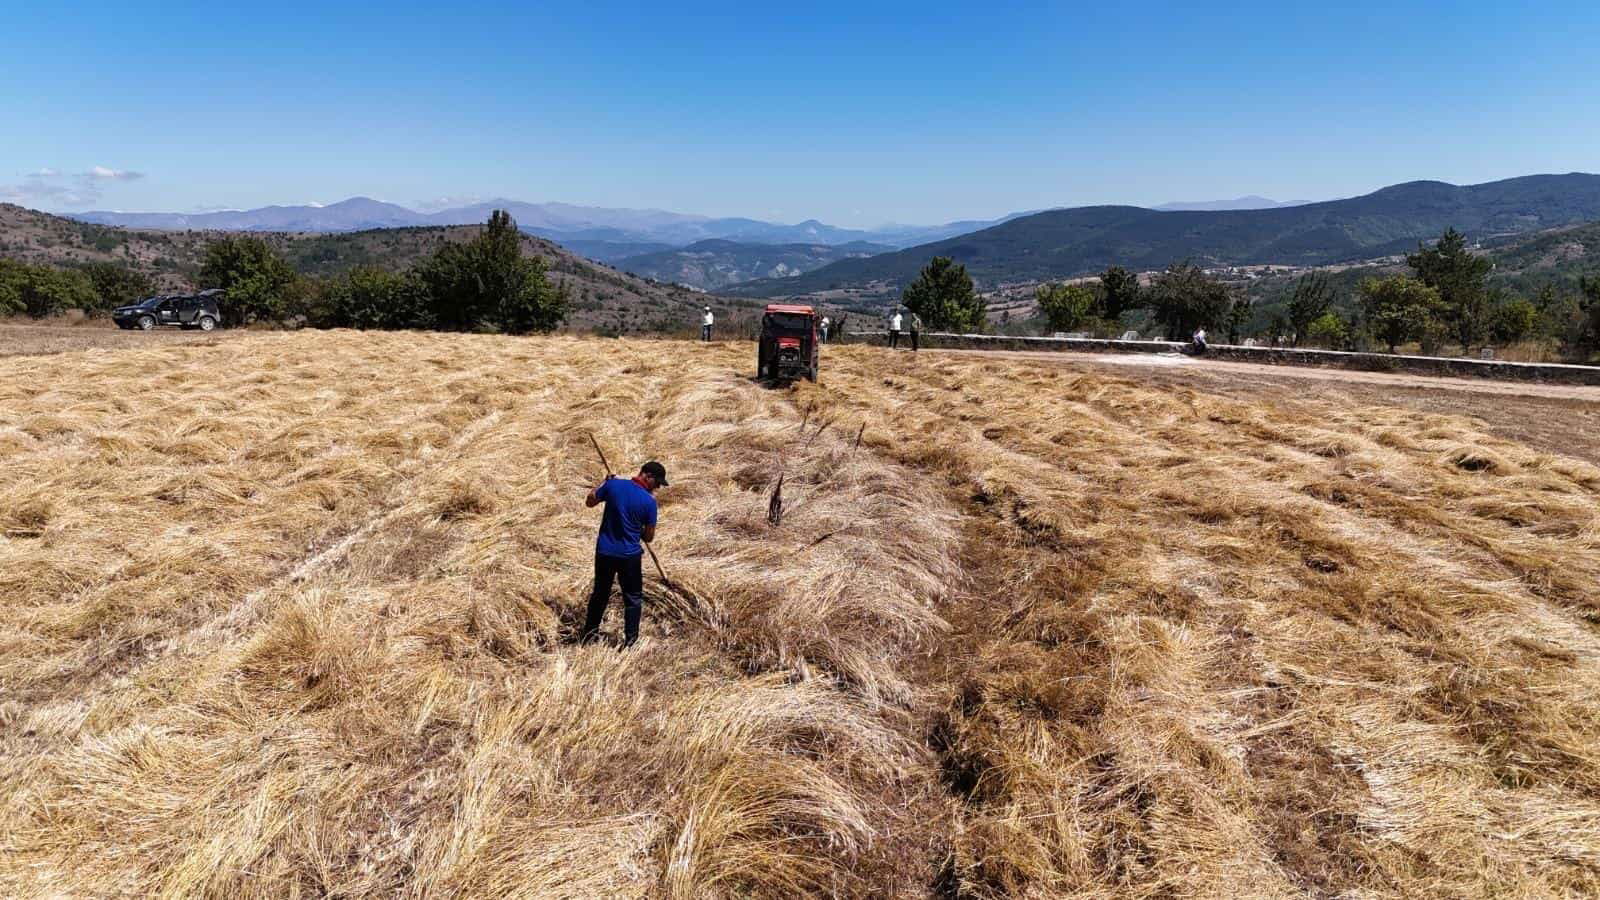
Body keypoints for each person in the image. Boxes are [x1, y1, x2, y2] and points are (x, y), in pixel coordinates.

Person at [582, 460, 667, 647]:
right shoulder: (649, 502)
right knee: (633, 598)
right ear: (647, 476)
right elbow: (649, 537)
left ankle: (588, 636)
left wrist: (604, 483)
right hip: (629, 556)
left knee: (600, 594)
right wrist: (639, 527)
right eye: (657, 482)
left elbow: (590, 501)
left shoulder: (613, 485)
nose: (658, 487)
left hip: (604, 552)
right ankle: (630, 643)